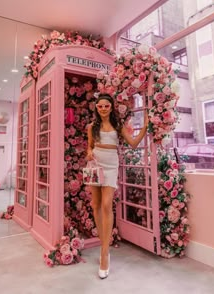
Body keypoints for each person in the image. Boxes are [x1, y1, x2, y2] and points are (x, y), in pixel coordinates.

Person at [86, 93, 148, 279]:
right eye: (100, 106)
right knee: (95, 205)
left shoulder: (118, 126)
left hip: (111, 165)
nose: (103, 109)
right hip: (95, 165)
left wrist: (145, 127)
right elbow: (89, 146)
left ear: (111, 107)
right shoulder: (92, 127)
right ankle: (103, 244)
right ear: (97, 108)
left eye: (106, 106)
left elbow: (134, 143)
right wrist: (89, 152)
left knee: (106, 205)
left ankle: (104, 253)